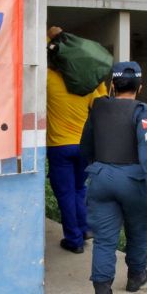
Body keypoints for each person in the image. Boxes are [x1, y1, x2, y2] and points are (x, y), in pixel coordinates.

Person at [80, 61, 147, 294]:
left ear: (112, 85)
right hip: (134, 180)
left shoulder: (97, 108)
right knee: (138, 229)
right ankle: (135, 277)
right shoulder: (143, 111)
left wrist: (100, 171)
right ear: (139, 87)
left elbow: (85, 147)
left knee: (105, 240)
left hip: (101, 178)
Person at [46, 26, 107, 254]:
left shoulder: (49, 79)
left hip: (59, 147)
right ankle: (83, 229)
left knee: (65, 194)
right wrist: (96, 77)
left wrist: (52, 35)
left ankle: (74, 240)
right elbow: (101, 102)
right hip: (83, 146)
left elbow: (39, 49)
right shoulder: (88, 83)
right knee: (79, 189)